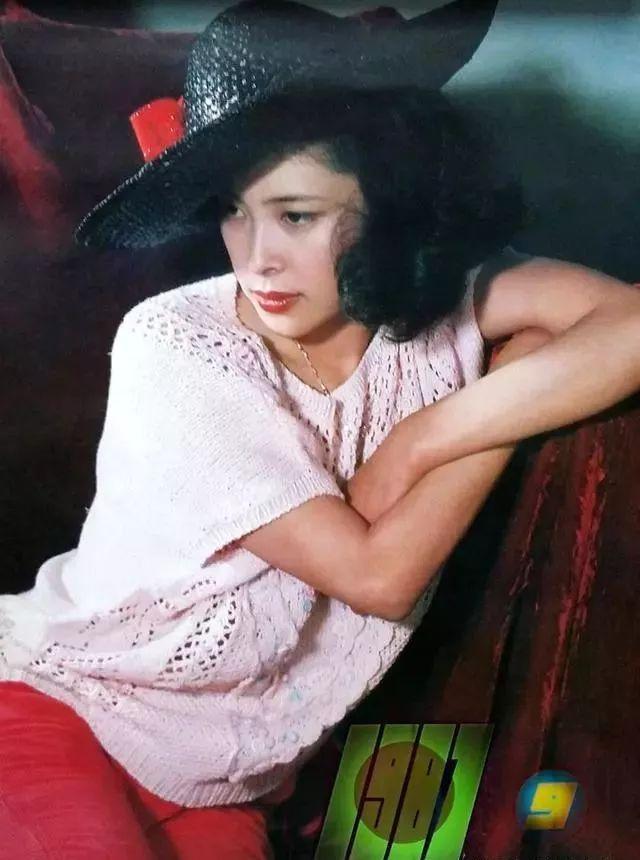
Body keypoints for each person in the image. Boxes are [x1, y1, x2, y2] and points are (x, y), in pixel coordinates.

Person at [1, 2, 639, 858]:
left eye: (296, 215)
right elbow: (377, 576)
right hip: (62, 709)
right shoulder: (176, 346)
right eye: (235, 211)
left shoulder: (441, 303)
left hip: (228, 781)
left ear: (385, 207)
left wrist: (435, 428)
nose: (256, 256)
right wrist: (501, 401)